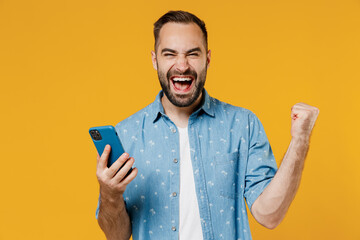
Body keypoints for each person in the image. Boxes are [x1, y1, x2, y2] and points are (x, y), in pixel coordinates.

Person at [95, 10, 319, 240]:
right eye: (169, 54)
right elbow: (117, 235)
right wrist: (110, 193)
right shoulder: (126, 134)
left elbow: (269, 215)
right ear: (155, 60)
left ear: (208, 59)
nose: (182, 66)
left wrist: (300, 140)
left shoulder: (243, 125)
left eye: (192, 54)